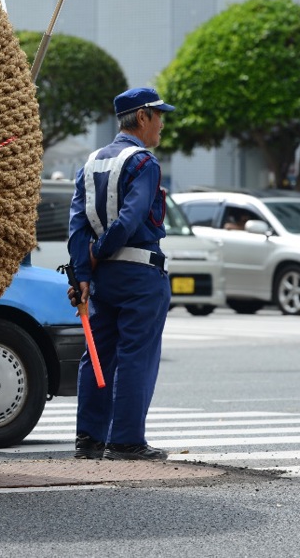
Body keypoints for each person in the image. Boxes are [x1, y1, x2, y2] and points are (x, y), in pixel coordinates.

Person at [66, 86, 174, 461]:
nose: (161, 124)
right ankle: (126, 440)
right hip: (141, 276)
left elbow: (77, 226)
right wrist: (101, 251)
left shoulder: (89, 164)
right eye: (159, 115)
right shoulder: (144, 163)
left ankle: (90, 438)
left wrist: (83, 271)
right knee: (135, 355)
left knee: (98, 353)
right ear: (142, 117)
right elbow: (131, 217)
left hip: (102, 281)